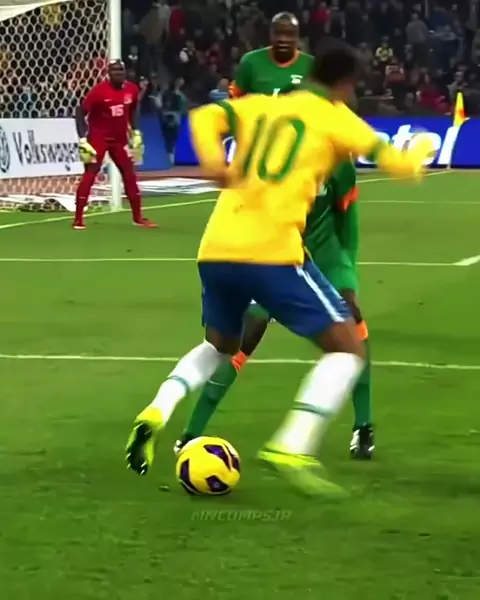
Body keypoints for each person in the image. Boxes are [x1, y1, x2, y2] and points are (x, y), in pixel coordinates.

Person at [125, 38, 433, 496]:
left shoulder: (260, 107)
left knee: (220, 345)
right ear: (345, 85)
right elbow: (398, 164)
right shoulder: (336, 117)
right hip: (272, 253)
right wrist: (421, 149)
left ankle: (158, 408)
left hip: (216, 249)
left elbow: (204, 116)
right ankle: (292, 445)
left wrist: (216, 164)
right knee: (348, 347)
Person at [175, 159, 375, 460]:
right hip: (275, 257)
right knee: (247, 333)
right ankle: (192, 432)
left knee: (352, 319)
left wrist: (348, 273)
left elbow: (348, 221)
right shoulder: (267, 154)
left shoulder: (337, 160)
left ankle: (363, 426)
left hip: (326, 257)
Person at [74, 60, 156, 230]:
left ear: (125, 72)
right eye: (114, 71)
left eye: (120, 70)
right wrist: (82, 139)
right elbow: (80, 111)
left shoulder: (131, 89)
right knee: (90, 173)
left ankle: (138, 217)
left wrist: (136, 131)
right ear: (108, 73)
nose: (118, 73)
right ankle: (78, 219)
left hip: (119, 140)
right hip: (98, 138)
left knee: (129, 174)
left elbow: (133, 110)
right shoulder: (99, 92)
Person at [230, 12, 313, 97]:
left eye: (289, 34)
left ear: (297, 36)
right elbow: (233, 99)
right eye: (278, 33)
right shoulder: (250, 61)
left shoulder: (312, 65)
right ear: (270, 34)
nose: (283, 39)